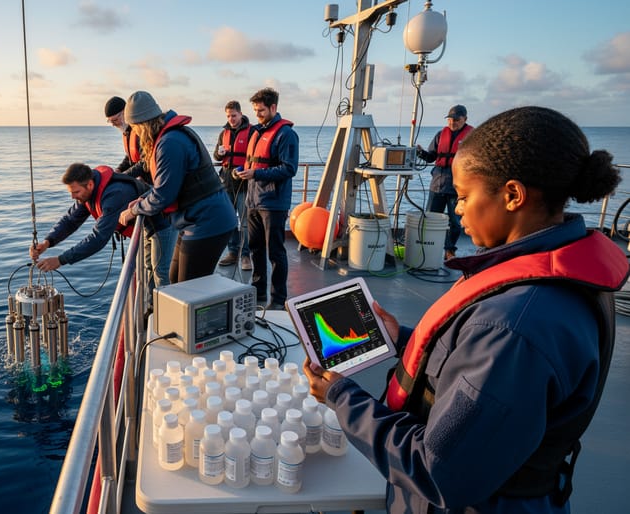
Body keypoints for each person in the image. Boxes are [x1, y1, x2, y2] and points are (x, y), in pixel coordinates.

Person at [303, 106, 628, 513]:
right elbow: (474, 370)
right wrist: (406, 339)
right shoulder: (548, 277)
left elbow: (439, 471)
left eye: (464, 196)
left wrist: (340, 396)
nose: (456, 209)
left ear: (512, 195)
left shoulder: (514, 327)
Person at [118, 90, 236, 283]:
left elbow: (164, 195)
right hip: (194, 221)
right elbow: (169, 184)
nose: (136, 134)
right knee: (174, 281)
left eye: (135, 129)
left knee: (188, 290)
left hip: (209, 222)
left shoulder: (170, 143)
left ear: (141, 125)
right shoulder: (168, 138)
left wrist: (134, 210)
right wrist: (144, 198)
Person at [30, 162, 167, 273]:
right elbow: (70, 220)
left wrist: (60, 260)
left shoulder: (115, 195)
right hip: (143, 230)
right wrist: (47, 242)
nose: (73, 197)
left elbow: (99, 238)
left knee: (158, 271)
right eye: (71, 192)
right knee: (146, 270)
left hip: (162, 225)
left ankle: (157, 306)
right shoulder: (88, 191)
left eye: (76, 192)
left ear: (89, 184)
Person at [104, 95, 177, 292]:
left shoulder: (143, 133)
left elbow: (144, 161)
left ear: (125, 114)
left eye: (116, 119)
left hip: (155, 193)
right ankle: (152, 304)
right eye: (111, 122)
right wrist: (116, 173)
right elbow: (130, 159)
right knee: (147, 262)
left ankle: (163, 306)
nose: (115, 124)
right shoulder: (127, 134)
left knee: (160, 267)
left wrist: (123, 178)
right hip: (145, 196)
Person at [235, 87, 298, 309]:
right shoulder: (257, 131)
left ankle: (279, 299)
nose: (257, 115)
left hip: (273, 203)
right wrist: (242, 170)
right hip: (253, 200)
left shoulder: (286, 134)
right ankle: (258, 291)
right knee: (255, 249)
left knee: (276, 252)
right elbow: (255, 161)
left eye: (261, 110)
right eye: (255, 110)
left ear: (273, 107)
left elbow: (289, 169)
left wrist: (257, 173)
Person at [416, 104, 474, 260]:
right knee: (431, 218)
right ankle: (427, 249)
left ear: (465, 119)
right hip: (437, 184)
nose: (452, 123)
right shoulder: (441, 134)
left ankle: (449, 250)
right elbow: (431, 157)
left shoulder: (472, 137)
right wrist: (420, 152)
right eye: (450, 119)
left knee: (455, 222)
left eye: (456, 120)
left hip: (458, 187)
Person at [214, 100, 254, 272]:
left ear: (240, 113)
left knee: (245, 222)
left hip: (244, 184)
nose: (231, 119)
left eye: (234, 115)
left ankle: (245, 255)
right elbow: (216, 156)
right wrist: (219, 153)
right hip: (226, 183)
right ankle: (232, 252)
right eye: (228, 116)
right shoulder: (223, 133)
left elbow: (255, 156)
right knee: (229, 220)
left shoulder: (252, 132)